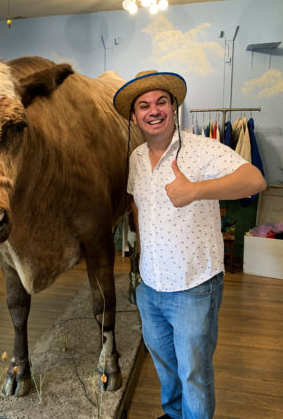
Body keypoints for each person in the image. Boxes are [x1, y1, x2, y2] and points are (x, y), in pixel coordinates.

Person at [113, 71, 266, 419]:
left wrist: (196, 190)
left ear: (174, 106)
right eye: (144, 105)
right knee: (165, 367)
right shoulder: (136, 157)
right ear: (135, 116)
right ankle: (173, 414)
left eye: (161, 102)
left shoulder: (202, 149)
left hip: (194, 287)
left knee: (194, 374)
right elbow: (138, 203)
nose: (154, 111)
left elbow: (255, 180)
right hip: (150, 286)